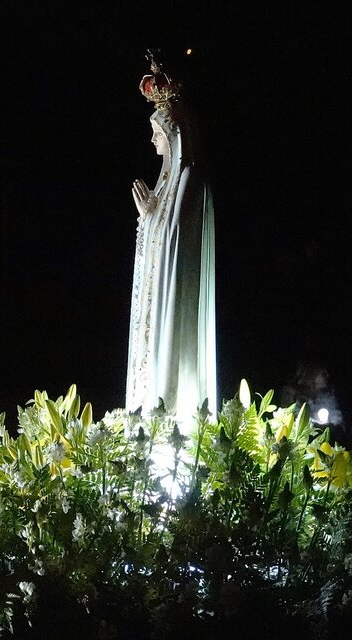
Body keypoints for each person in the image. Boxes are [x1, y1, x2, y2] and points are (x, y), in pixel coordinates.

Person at [126, 51, 216, 421]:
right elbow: (162, 230)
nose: (152, 140)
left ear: (172, 135)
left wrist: (151, 219)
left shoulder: (190, 178)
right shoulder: (169, 181)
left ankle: (172, 412)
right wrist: (148, 218)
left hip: (176, 295)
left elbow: (177, 237)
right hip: (157, 291)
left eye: (157, 133)